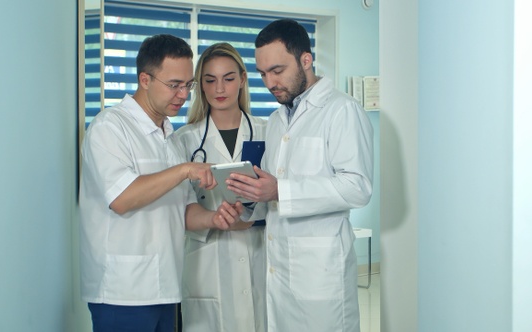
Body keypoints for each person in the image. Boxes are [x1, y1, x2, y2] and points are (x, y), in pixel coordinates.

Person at [79, 34, 243, 332]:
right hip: (122, 292)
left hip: (166, 288)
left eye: (188, 85)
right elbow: (122, 198)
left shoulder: (169, 137)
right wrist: (184, 170)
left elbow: (182, 212)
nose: (183, 94)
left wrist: (215, 219)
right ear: (145, 79)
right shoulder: (109, 127)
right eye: (174, 85)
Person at [226, 19, 374, 332]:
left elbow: (358, 187)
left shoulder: (342, 110)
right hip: (280, 271)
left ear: (305, 60)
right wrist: (249, 200)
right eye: (263, 73)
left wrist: (280, 191)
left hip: (321, 275)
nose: (269, 82)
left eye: (277, 70)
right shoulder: (278, 119)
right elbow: (269, 188)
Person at [174, 42, 268, 332]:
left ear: (242, 79)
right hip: (206, 259)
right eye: (210, 80)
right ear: (200, 85)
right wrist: (217, 220)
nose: (220, 88)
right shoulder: (184, 140)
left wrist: (250, 216)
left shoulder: (269, 132)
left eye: (228, 78)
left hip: (258, 251)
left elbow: (281, 193)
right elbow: (178, 210)